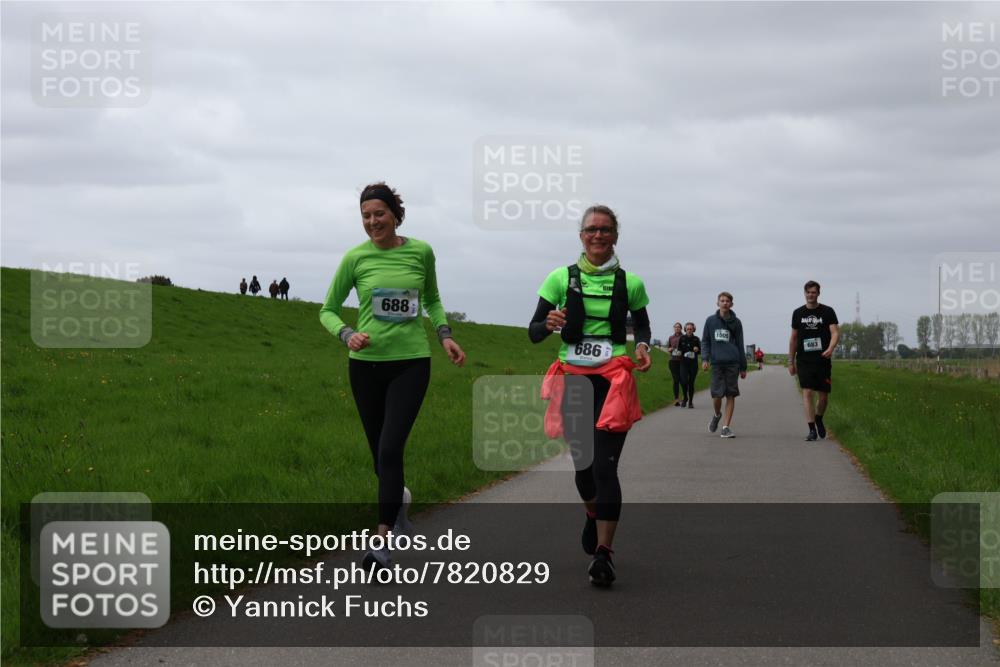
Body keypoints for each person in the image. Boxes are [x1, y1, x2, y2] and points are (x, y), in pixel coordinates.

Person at [319, 182, 466, 570]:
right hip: (365, 366)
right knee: (378, 457)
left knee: (389, 449)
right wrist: (347, 334)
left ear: (396, 215)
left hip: (411, 363)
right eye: (366, 216)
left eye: (379, 214)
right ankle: (398, 501)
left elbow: (432, 298)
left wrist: (445, 335)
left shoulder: (421, 252)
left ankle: (381, 544)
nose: (372, 222)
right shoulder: (355, 258)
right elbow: (327, 309)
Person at [528, 204, 652, 587]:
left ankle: (604, 554)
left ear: (615, 235)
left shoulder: (631, 283)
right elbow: (533, 331)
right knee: (584, 470)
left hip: (613, 383)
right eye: (591, 229)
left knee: (604, 468)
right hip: (574, 382)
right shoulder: (559, 278)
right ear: (581, 236)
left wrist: (643, 345)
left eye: (605, 229)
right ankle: (591, 514)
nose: (598, 235)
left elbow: (643, 325)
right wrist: (548, 323)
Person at [788, 281, 840, 441]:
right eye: (808, 292)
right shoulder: (798, 313)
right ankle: (811, 429)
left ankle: (819, 418)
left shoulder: (828, 311)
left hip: (822, 359)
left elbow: (835, 332)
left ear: (818, 294)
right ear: (804, 293)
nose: (811, 295)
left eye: (814, 292)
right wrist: (790, 361)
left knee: (823, 397)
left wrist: (831, 348)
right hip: (804, 360)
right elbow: (794, 338)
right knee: (808, 392)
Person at [701, 292, 747, 438]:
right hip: (716, 363)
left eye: (727, 301)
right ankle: (717, 414)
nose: (725, 303)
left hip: (733, 363)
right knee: (717, 395)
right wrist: (705, 359)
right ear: (717, 303)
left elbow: (740, 344)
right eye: (722, 300)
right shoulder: (710, 321)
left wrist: (743, 367)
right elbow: (705, 341)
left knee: (730, 394)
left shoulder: (736, 322)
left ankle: (726, 427)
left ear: (731, 304)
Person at [678, 322, 700, 408]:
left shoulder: (696, 339)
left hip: (693, 364)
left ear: (693, 330)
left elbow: (700, 350)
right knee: (684, 381)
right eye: (687, 329)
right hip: (684, 363)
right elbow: (679, 349)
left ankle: (690, 401)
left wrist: (697, 349)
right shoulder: (682, 338)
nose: (689, 330)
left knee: (691, 383)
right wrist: (679, 352)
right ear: (685, 330)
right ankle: (685, 398)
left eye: (691, 329)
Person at [666, 322, 683, 406]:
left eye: (678, 327)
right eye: (675, 327)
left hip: (682, 361)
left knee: (682, 380)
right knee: (676, 380)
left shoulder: (684, 337)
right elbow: (668, 347)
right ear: (674, 328)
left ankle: (685, 397)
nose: (677, 328)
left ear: (681, 328)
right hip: (673, 360)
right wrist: (670, 349)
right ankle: (676, 399)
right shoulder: (671, 337)